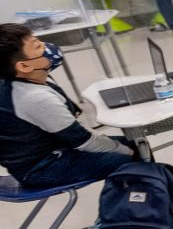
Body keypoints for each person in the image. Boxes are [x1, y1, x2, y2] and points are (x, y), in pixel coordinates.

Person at [0, 24, 136, 189]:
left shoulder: (28, 80)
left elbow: (74, 131)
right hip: (40, 168)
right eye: (38, 46)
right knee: (132, 157)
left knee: (136, 143)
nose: (47, 47)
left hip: (53, 150)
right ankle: (141, 208)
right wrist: (128, 153)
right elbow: (84, 141)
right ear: (24, 66)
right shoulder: (34, 98)